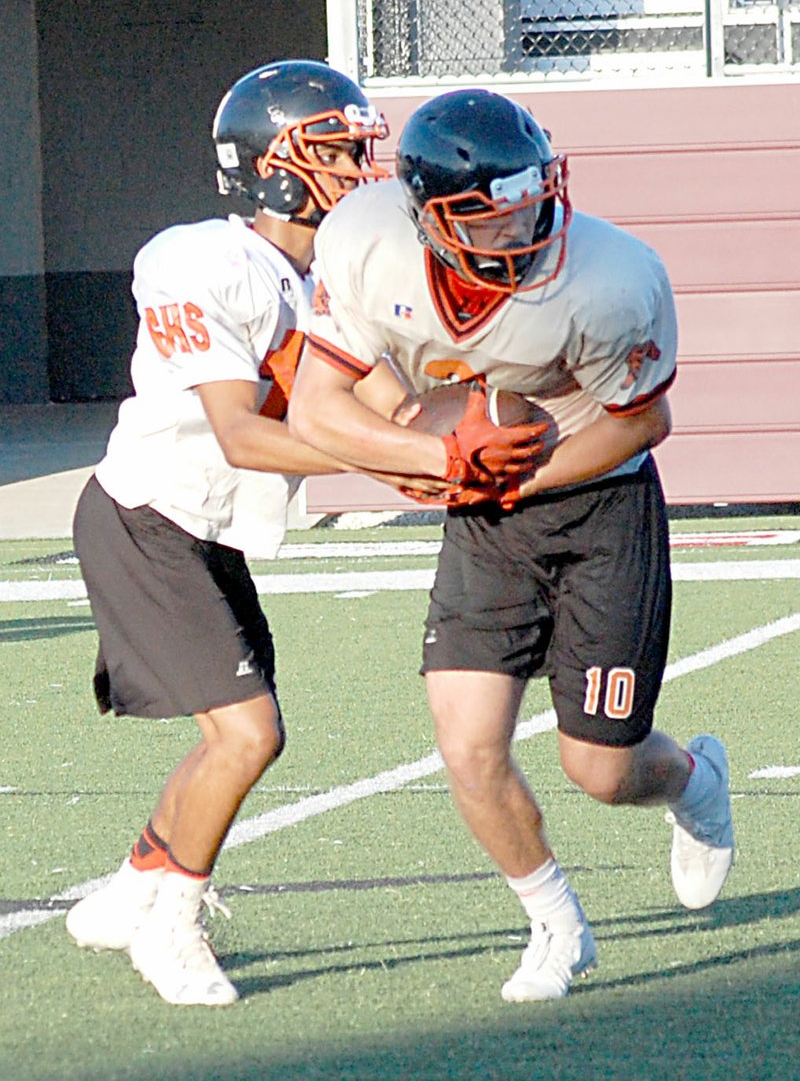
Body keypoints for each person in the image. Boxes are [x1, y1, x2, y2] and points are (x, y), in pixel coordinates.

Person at [287, 89, 735, 1001]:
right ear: (428, 219)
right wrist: (434, 460)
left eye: (532, 200)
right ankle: (555, 923)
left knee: (602, 770)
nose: (524, 225)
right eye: (493, 213)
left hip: (599, 506)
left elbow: (642, 424)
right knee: (468, 746)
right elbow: (319, 407)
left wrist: (509, 477)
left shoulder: (611, 275)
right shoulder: (366, 243)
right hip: (485, 518)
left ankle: (692, 780)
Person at [65, 59, 401, 1007]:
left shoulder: (313, 276)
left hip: (202, 530)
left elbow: (398, 406)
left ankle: (136, 884)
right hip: (147, 517)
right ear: (273, 165)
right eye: (337, 151)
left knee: (247, 735)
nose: (355, 171)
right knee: (247, 736)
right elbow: (242, 432)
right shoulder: (203, 258)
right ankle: (170, 924)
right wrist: (394, 464)